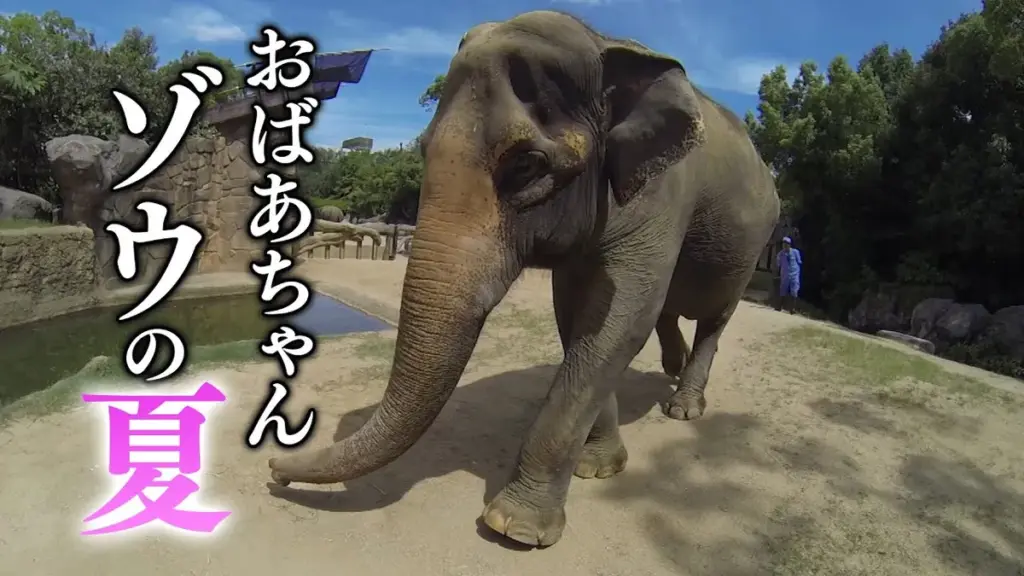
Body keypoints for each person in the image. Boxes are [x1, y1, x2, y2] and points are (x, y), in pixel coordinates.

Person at [776, 236, 802, 312]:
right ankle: (779, 306)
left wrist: (796, 271)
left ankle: (792, 308)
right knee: (783, 290)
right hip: (785, 274)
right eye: (783, 244)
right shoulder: (780, 254)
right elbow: (778, 265)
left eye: (787, 244)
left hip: (794, 274)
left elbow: (799, 262)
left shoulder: (795, 252)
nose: (785, 245)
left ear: (789, 245)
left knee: (794, 291)